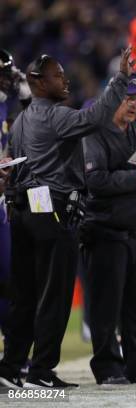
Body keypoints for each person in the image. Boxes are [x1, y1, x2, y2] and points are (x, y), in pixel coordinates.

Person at [0, 47, 134, 389]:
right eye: (57, 75)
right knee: (54, 295)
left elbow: (9, 163)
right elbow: (95, 117)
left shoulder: (20, 122)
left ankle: (11, 366)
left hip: (22, 212)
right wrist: (120, 80)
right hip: (52, 213)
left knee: (24, 295)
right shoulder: (53, 116)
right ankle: (42, 371)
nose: (65, 80)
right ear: (38, 83)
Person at [80, 74, 136, 386]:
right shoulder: (93, 131)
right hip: (106, 231)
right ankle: (107, 366)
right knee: (106, 305)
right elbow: (95, 181)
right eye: (130, 97)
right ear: (112, 97)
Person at [0, 49, 31, 336]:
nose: (6, 81)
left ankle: (12, 356)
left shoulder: (4, 109)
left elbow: (35, 116)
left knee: (8, 277)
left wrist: (25, 95)